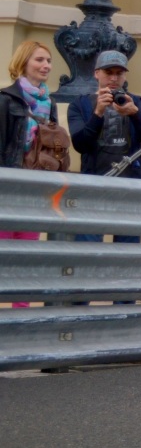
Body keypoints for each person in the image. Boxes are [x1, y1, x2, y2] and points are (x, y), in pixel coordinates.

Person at [68, 49, 141, 246]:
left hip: (130, 189)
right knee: (87, 250)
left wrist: (135, 114)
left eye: (119, 73)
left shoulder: (140, 103)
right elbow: (80, 145)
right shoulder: (80, 104)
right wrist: (98, 112)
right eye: (108, 72)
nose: (114, 78)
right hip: (93, 186)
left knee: (127, 256)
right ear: (96, 73)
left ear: (125, 75)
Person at [1, 40, 59, 308]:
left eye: (48, 61)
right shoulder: (6, 99)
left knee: (26, 254)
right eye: (39, 60)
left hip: (36, 187)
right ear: (23, 62)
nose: (46, 65)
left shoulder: (50, 104)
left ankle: (19, 315)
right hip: (8, 186)